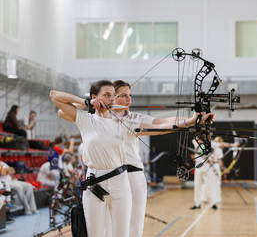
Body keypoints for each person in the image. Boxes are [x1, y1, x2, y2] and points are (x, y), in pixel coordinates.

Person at [50, 79, 213, 237]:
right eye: (108, 95)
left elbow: (161, 126)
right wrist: (87, 102)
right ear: (95, 97)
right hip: (95, 181)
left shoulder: (125, 123)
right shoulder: (86, 119)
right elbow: (55, 97)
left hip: (122, 180)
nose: (113, 98)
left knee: (127, 231)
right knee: (98, 232)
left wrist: (191, 121)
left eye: (113, 95)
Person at [112, 80, 200, 237]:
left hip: (133, 175)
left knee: (134, 224)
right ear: (111, 97)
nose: (128, 99)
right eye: (123, 95)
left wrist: (191, 121)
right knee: (111, 224)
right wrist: (92, 103)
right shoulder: (99, 118)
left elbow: (163, 123)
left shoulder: (135, 118)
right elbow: (61, 107)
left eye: (130, 95)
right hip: (110, 176)